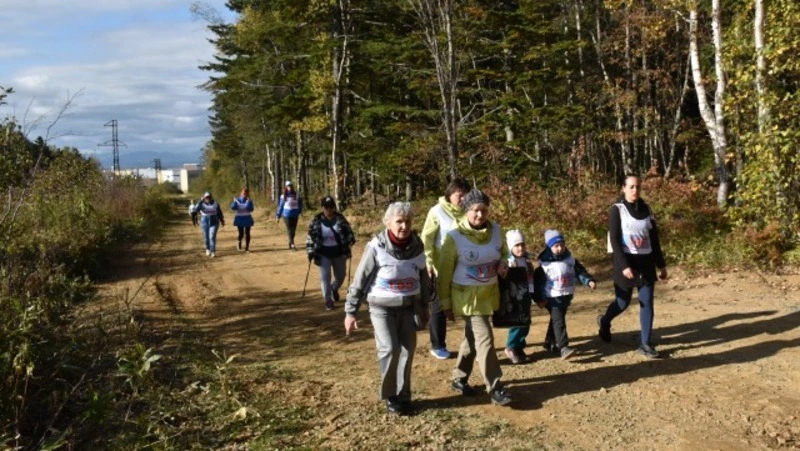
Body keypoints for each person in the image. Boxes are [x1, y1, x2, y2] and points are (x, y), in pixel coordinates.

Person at [344, 202, 430, 415]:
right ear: (388, 223)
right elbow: (359, 280)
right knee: (390, 349)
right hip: (381, 307)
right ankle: (390, 395)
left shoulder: (418, 247)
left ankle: (404, 395)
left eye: (407, 221)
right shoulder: (376, 247)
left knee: (407, 351)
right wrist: (350, 312)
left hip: (409, 307)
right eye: (399, 221)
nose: (404, 226)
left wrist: (424, 306)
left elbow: (424, 279)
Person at [437, 188, 512, 406]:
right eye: (475, 210)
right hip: (466, 299)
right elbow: (444, 274)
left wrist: (504, 262)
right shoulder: (454, 237)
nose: (480, 215)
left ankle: (459, 378)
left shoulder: (496, 231)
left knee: (472, 338)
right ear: (465, 211)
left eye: (484, 210)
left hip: (489, 294)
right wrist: (445, 303)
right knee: (485, 338)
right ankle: (495, 386)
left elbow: (504, 252)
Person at [597, 174, 668, 358]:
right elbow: (614, 240)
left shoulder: (647, 209)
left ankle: (645, 344)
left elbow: (654, 239)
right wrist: (623, 265)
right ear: (623, 188)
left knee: (647, 303)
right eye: (631, 187)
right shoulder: (617, 210)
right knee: (622, 302)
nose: (635, 190)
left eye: (638, 187)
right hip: (626, 262)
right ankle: (604, 321)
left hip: (646, 262)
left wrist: (661, 265)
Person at [421, 177, 470, 360]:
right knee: (439, 306)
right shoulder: (437, 211)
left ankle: (471, 344)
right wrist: (428, 260)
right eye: (460, 195)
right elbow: (427, 237)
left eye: (466, 196)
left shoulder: (468, 212)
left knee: (467, 304)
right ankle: (437, 344)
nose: (463, 199)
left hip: (464, 266)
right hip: (440, 266)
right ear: (450, 195)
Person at [533, 229, 596, 360]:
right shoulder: (544, 265)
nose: (560, 248)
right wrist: (540, 298)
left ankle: (549, 341)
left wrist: (588, 280)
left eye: (562, 245)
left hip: (566, 296)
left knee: (556, 320)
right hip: (551, 297)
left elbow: (580, 271)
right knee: (559, 321)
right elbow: (537, 283)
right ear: (549, 247)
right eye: (556, 246)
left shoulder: (570, 260)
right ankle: (564, 347)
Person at [306, 196, 356, 310]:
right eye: (326, 207)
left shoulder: (340, 219)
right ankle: (328, 300)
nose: (329, 209)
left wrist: (350, 239)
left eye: (331, 207)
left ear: (334, 207)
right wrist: (310, 251)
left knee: (341, 276)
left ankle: (334, 288)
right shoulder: (316, 220)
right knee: (325, 277)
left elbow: (349, 231)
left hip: (339, 252)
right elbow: (310, 237)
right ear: (322, 207)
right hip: (323, 253)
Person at [502, 230, 535, 365]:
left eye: (522, 245)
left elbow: (531, 277)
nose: (520, 248)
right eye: (517, 246)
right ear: (511, 247)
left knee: (526, 323)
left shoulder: (526, 260)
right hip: (514, 296)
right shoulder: (509, 262)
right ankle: (510, 346)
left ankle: (519, 346)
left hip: (526, 294)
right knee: (517, 323)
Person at [193, 192, 225, 258]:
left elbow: (219, 212)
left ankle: (212, 251)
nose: (208, 198)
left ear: (211, 197)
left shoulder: (215, 203)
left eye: (209, 197)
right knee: (206, 237)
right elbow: (195, 210)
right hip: (204, 222)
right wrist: (200, 201)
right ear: (204, 198)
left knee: (212, 237)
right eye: (206, 197)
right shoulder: (201, 204)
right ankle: (207, 249)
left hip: (214, 222)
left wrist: (222, 220)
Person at [276, 181, 303, 250]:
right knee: (289, 230)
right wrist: (278, 216)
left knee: (293, 230)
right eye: (288, 186)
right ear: (286, 187)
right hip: (286, 215)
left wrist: (300, 212)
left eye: (290, 186)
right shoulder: (283, 196)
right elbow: (281, 206)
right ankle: (293, 244)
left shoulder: (297, 195)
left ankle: (290, 242)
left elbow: (300, 204)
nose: (289, 187)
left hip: (295, 215)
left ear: (292, 186)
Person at [231, 187, 255, 253]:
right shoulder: (237, 200)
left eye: (246, 193)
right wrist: (234, 202)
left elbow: (251, 209)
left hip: (247, 218)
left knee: (247, 233)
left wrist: (249, 202)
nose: (244, 194)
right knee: (241, 233)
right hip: (239, 218)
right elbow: (233, 208)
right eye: (243, 192)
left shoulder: (249, 200)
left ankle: (247, 248)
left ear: (247, 194)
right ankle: (239, 243)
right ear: (241, 193)